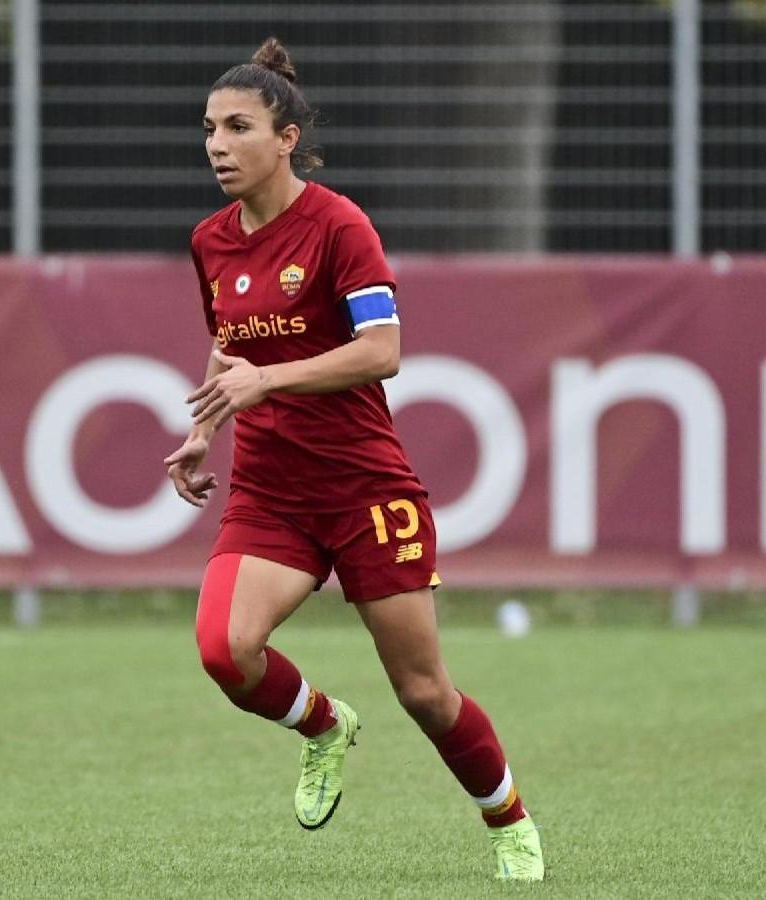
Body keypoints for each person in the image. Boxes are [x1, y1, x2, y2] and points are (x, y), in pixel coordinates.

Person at [162, 37, 545, 882]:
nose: (217, 145)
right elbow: (229, 348)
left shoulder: (339, 225)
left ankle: (508, 819)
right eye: (208, 129)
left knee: (424, 694)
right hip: (271, 493)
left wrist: (272, 381)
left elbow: (383, 351)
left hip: (365, 489)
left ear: (286, 137)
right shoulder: (210, 242)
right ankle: (325, 725)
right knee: (227, 653)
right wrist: (204, 429)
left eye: (237, 127)